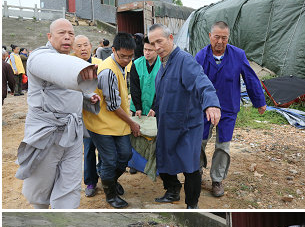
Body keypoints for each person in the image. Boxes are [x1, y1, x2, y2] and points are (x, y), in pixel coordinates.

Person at [16, 18, 100, 209]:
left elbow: (69, 89)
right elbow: (61, 69)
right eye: (62, 33)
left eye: (71, 33)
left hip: (73, 133)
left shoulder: (70, 60)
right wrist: (81, 70)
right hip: (47, 133)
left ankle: (64, 218)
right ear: (49, 36)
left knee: (69, 185)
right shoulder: (39, 56)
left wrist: (87, 98)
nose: (67, 37)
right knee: (41, 188)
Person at [147, 23, 221, 209]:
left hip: (187, 126)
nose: (157, 47)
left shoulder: (184, 60)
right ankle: (172, 191)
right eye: (152, 43)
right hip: (167, 123)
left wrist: (211, 103)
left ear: (171, 38)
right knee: (165, 159)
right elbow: (163, 91)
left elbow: (201, 81)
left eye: (160, 41)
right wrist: (155, 107)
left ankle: (192, 204)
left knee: (190, 166)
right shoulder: (163, 63)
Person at [195, 21, 267, 198]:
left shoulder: (238, 55)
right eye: (217, 37)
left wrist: (259, 101)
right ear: (210, 36)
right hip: (204, 108)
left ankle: (217, 179)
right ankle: (196, 173)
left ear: (228, 38)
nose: (220, 41)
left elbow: (250, 79)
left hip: (228, 108)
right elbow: (192, 82)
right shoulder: (200, 57)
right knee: (199, 142)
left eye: (224, 38)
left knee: (223, 145)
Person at [85, 32, 139, 208]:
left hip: (117, 122)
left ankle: (110, 179)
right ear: (113, 50)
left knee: (125, 155)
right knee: (110, 159)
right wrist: (132, 123)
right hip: (101, 123)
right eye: (123, 56)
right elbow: (113, 105)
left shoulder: (123, 66)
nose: (126, 60)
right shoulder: (108, 71)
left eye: (130, 56)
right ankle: (110, 194)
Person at [72, 35, 105, 198]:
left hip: (101, 115)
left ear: (91, 46)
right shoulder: (70, 66)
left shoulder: (100, 64)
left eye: (85, 45)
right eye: (79, 46)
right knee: (89, 150)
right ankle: (91, 182)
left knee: (106, 150)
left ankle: (107, 179)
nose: (83, 48)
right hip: (83, 118)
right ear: (73, 48)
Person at [127, 36, 160, 176]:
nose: (147, 53)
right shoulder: (136, 63)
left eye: (150, 50)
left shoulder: (163, 65)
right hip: (138, 107)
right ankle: (135, 164)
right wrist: (138, 107)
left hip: (155, 107)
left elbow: (162, 89)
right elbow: (133, 87)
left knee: (155, 137)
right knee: (137, 136)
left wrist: (155, 107)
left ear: (157, 51)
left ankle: (155, 164)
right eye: (145, 49)